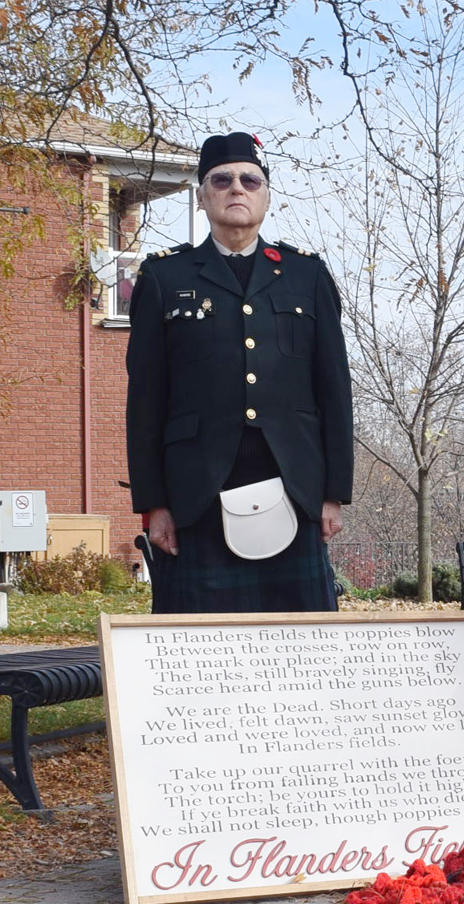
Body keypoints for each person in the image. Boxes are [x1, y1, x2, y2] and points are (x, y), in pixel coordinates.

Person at [126, 132, 353, 612]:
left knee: (303, 644)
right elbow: (146, 400)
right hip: (195, 492)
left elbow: (334, 390)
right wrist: (154, 505)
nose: (237, 189)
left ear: (265, 196)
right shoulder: (166, 277)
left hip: (294, 484)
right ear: (202, 196)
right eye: (222, 180)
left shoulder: (306, 275)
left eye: (250, 180)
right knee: (196, 645)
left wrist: (334, 494)